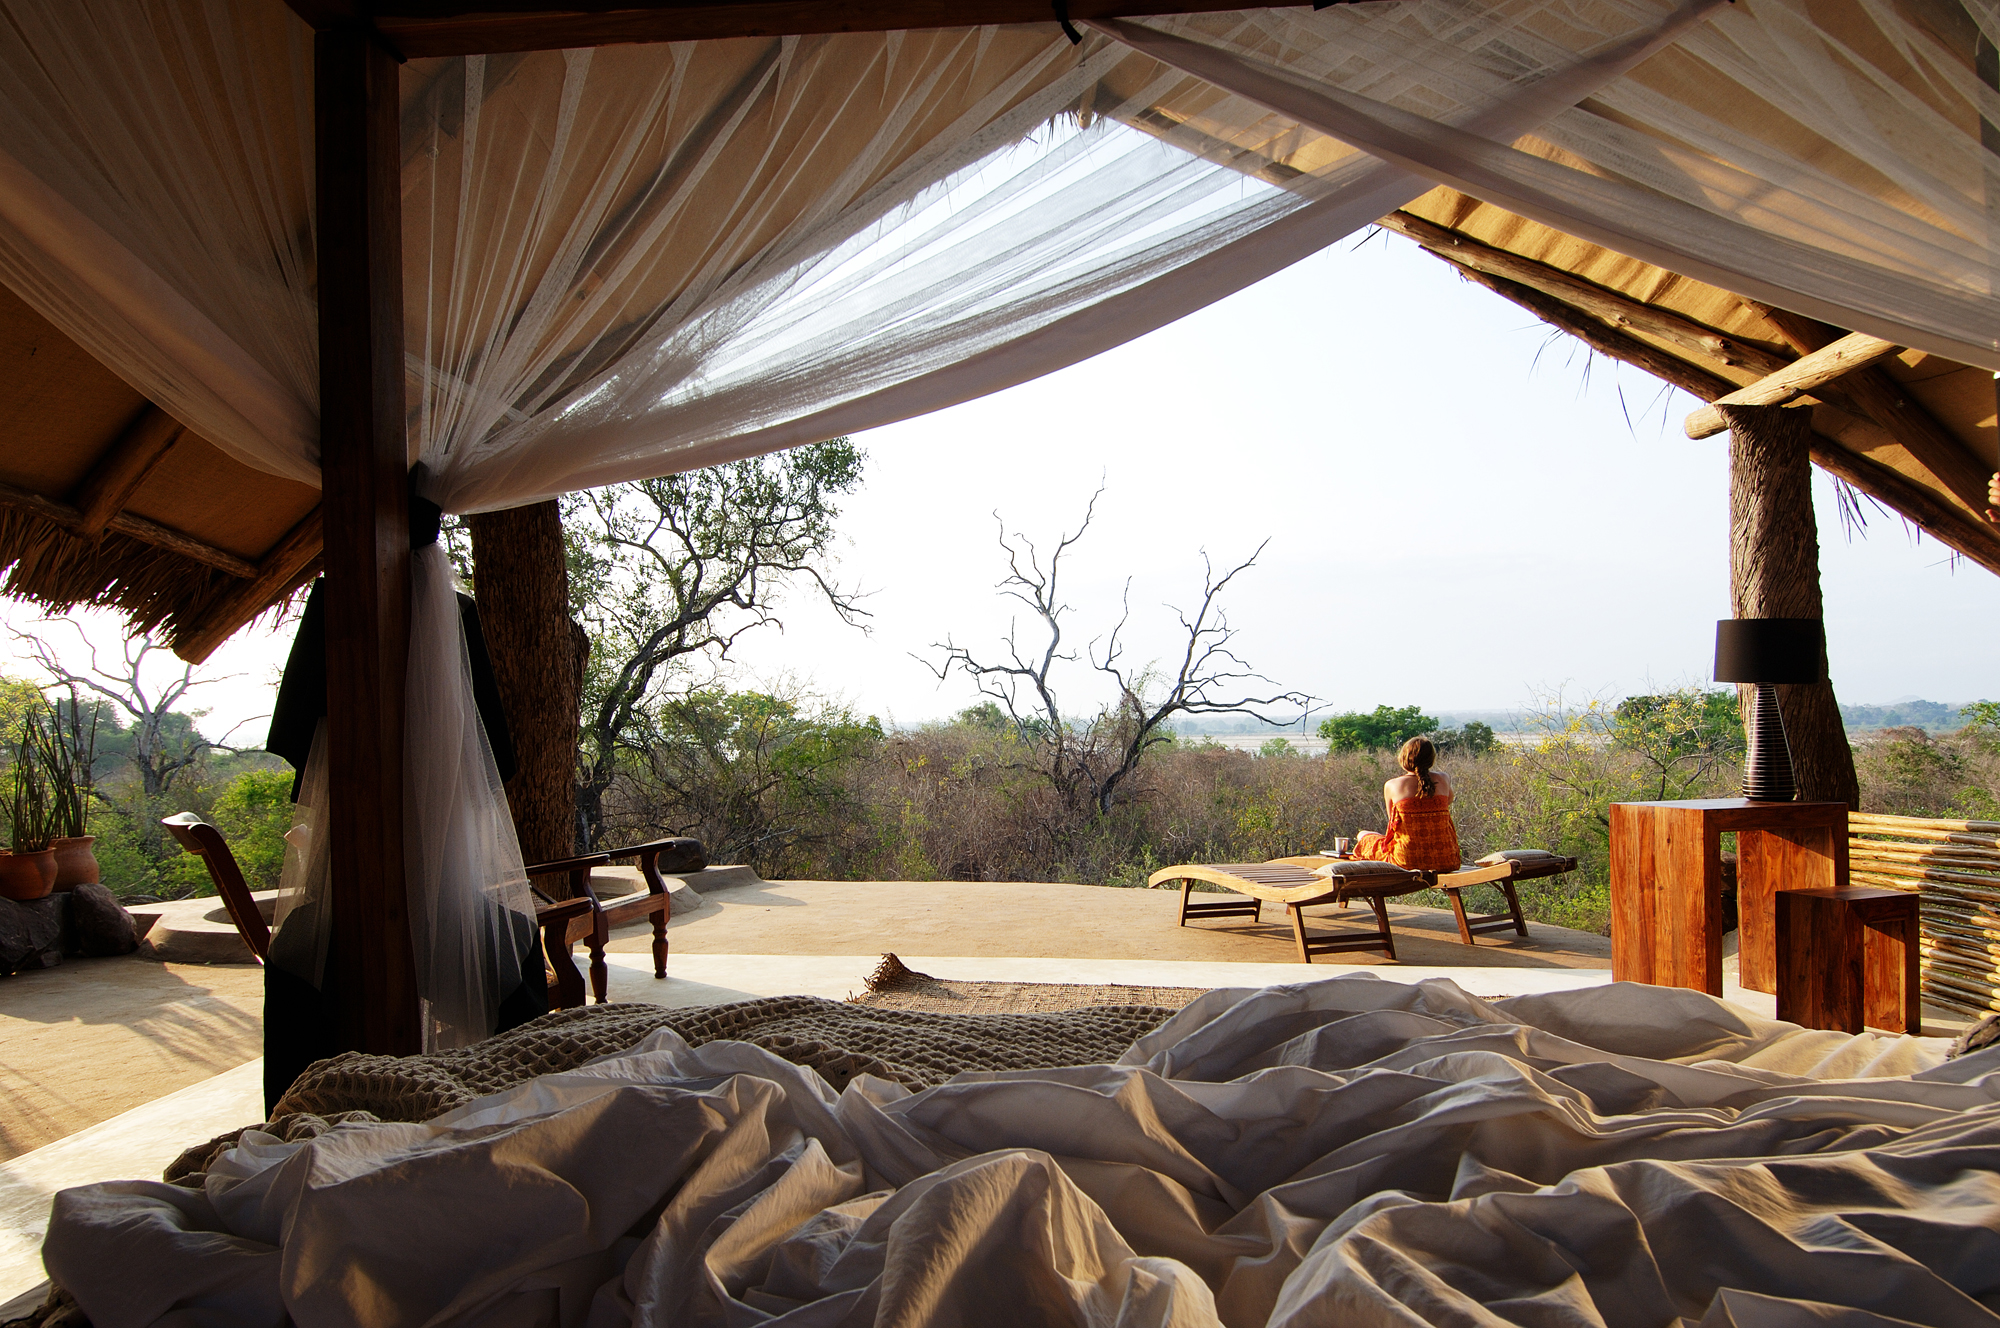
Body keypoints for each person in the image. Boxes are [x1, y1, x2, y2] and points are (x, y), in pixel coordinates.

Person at [1352, 736, 1462, 870]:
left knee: (1362, 835)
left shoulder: (1392, 785)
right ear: (1431, 759)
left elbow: (1393, 822)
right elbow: (1448, 800)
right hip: (1447, 859)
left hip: (1406, 860)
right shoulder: (1444, 778)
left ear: (1403, 758)